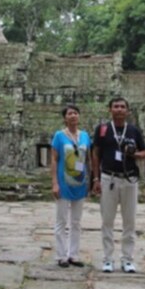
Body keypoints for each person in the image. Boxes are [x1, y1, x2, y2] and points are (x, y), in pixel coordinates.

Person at [91, 97, 145, 273]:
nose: (119, 109)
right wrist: (95, 179)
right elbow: (95, 154)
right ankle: (108, 259)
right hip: (108, 178)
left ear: (128, 111)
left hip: (129, 178)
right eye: (115, 106)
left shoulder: (133, 130)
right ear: (110, 109)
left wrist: (136, 155)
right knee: (107, 220)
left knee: (129, 221)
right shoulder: (102, 130)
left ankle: (127, 259)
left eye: (122, 107)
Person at [50, 103, 91, 268]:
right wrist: (54, 183)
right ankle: (61, 255)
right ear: (65, 118)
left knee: (76, 221)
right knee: (61, 220)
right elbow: (53, 159)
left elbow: (88, 159)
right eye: (69, 114)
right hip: (63, 182)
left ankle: (74, 255)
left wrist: (92, 179)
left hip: (80, 183)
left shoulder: (85, 136)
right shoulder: (59, 136)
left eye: (75, 112)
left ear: (79, 116)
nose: (73, 115)